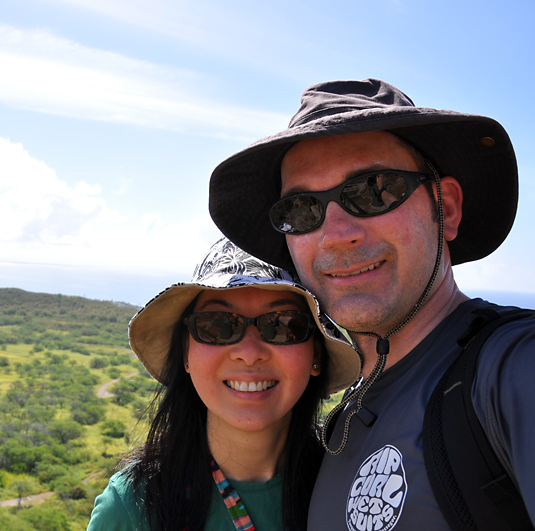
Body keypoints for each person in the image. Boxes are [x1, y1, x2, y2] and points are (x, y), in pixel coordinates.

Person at [208, 78, 534, 530]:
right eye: (302, 210)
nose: (338, 235)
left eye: (375, 188)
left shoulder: (512, 369)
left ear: (447, 208)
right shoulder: (341, 427)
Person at [87, 238, 361, 530]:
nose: (249, 353)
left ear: (315, 354)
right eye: (217, 325)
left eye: (282, 325)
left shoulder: (356, 484)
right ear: (186, 354)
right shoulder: (133, 507)